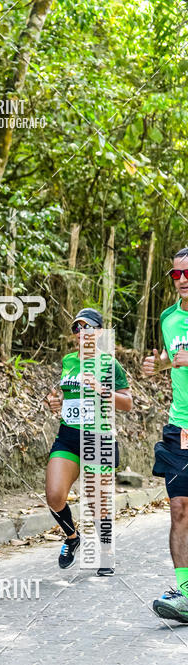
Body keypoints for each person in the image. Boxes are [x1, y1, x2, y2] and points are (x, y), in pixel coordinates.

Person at [44, 307, 132, 574]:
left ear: (100, 332)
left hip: (99, 438)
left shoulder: (109, 364)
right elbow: (67, 397)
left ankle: (106, 552)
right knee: (54, 496)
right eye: (77, 327)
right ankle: (73, 537)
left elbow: (127, 403)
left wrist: (102, 390)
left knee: (96, 501)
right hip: (69, 436)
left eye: (87, 327)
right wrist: (56, 403)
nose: (81, 332)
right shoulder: (68, 361)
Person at [144, 248, 188, 622]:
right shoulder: (168, 319)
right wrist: (156, 366)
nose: (182, 280)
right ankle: (186, 593)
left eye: (187, 273)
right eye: (176, 275)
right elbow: (170, 362)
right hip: (181, 428)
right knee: (179, 508)